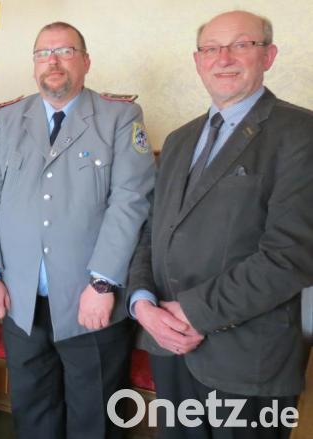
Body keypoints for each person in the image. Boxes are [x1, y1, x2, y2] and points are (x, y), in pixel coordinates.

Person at [127, 10, 313, 438]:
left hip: (246, 361)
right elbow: (150, 234)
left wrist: (192, 311)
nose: (223, 58)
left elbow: (291, 256)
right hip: (168, 350)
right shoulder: (178, 140)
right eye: (211, 48)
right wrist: (141, 303)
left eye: (241, 45)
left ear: (269, 56)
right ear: (198, 61)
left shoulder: (299, 133)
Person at [0, 21, 155, 438]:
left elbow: (131, 202)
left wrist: (103, 283)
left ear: (85, 61)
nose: (52, 61)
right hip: (20, 302)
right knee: (32, 414)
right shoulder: (6, 119)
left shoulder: (119, 116)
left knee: (94, 419)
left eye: (65, 51)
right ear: (33, 65)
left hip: (91, 303)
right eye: (43, 53)